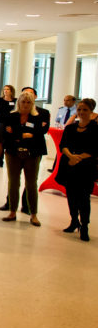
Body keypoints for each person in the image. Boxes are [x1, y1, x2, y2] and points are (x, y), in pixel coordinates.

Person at [2, 91, 49, 227]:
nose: (26, 104)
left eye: (29, 102)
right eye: (23, 102)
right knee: (13, 182)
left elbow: (39, 134)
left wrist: (20, 134)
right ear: (19, 103)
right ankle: (12, 211)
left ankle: (33, 214)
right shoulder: (11, 116)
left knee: (31, 184)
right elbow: (7, 133)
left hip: (33, 154)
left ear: (33, 104)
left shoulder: (38, 117)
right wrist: (25, 135)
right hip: (13, 153)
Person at [60, 98, 96, 241]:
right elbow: (63, 145)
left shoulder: (95, 129)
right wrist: (71, 156)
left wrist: (78, 158)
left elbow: (95, 149)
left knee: (84, 198)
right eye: (79, 109)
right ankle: (74, 220)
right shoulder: (70, 128)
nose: (81, 112)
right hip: (70, 166)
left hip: (86, 168)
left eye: (85, 110)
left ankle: (84, 225)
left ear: (91, 112)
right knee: (71, 195)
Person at [0, 84, 17, 168]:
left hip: (11, 124)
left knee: (11, 142)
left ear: (11, 91)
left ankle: (11, 160)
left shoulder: (16, 101)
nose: (5, 91)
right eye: (4, 89)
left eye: (8, 89)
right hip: (0, 123)